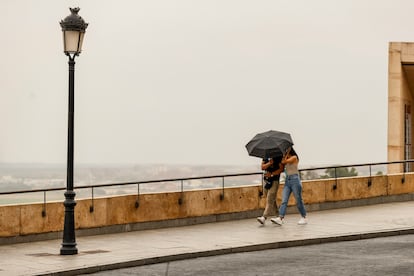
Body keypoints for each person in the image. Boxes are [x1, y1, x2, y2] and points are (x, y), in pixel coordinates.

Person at [271, 147, 307, 225]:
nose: (285, 151)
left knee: (298, 200)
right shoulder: (286, 157)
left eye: (286, 149)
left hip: (295, 180)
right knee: (284, 200)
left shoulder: (294, 157)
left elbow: (284, 161)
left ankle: (303, 217)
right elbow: (282, 163)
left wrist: (286, 154)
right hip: (287, 180)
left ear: (290, 149)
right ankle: (280, 218)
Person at [256, 156, 284, 225]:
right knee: (271, 199)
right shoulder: (265, 156)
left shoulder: (278, 156)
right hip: (267, 181)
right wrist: (269, 163)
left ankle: (264, 217)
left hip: (275, 181)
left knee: (270, 199)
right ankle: (279, 217)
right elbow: (262, 167)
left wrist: (271, 174)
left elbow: (281, 169)